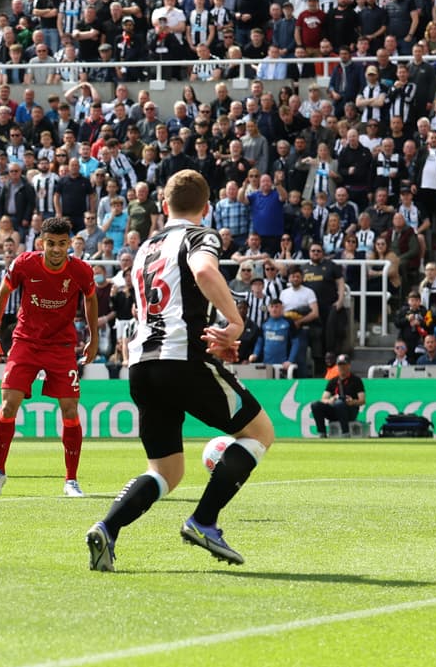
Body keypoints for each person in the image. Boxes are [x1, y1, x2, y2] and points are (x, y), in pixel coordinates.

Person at [85, 169, 273, 571]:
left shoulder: (144, 248)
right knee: (259, 433)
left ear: (163, 205)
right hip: (180, 357)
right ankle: (203, 521)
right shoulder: (199, 236)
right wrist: (234, 322)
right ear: (207, 207)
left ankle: (107, 528)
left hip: (142, 365)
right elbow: (204, 271)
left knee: (166, 471)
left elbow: (154, 304)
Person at [0, 216, 98, 498]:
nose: (57, 249)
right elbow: (3, 293)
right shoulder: (24, 263)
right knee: (8, 405)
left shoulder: (81, 270)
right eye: (51, 243)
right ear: (41, 243)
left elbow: (90, 298)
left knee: (70, 409)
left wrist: (94, 338)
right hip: (26, 341)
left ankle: (71, 480)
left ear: (69, 243)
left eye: (62, 243)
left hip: (61, 345)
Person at [310, 354, 365, 438]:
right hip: (335, 409)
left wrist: (352, 402)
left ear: (349, 365)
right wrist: (330, 400)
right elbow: (323, 398)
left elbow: (362, 400)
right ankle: (322, 432)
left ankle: (345, 433)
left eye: (344, 365)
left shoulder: (356, 380)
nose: (342, 367)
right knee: (316, 405)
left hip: (349, 410)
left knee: (339, 404)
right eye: (340, 365)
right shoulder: (333, 381)